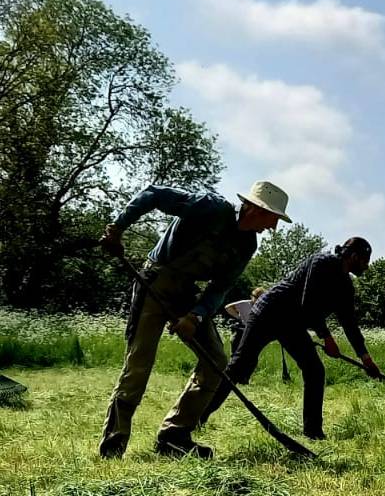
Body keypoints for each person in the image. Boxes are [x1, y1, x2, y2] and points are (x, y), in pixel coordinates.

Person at [97, 180, 291, 459]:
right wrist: (117, 228)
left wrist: (195, 316)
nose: (272, 227)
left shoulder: (247, 245)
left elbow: (219, 288)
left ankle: (174, 436)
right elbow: (153, 194)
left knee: (216, 361)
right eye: (272, 218)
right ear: (254, 208)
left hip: (187, 295)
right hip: (156, 281)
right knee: (139, 363)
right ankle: (114, 443)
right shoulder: (209, 207)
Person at [201, 237, 380, 440]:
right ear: (354, 256)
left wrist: (366, 359)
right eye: (365, 261)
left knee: (315, 371)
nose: (366, 266)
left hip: (291, 324)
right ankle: (199, 417)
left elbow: (350, 323)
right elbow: (308, 303)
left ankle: (313, 432)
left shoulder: (346, 286)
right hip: (268, 312)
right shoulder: (321, 263)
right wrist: (327, 337)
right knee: (239, 366)